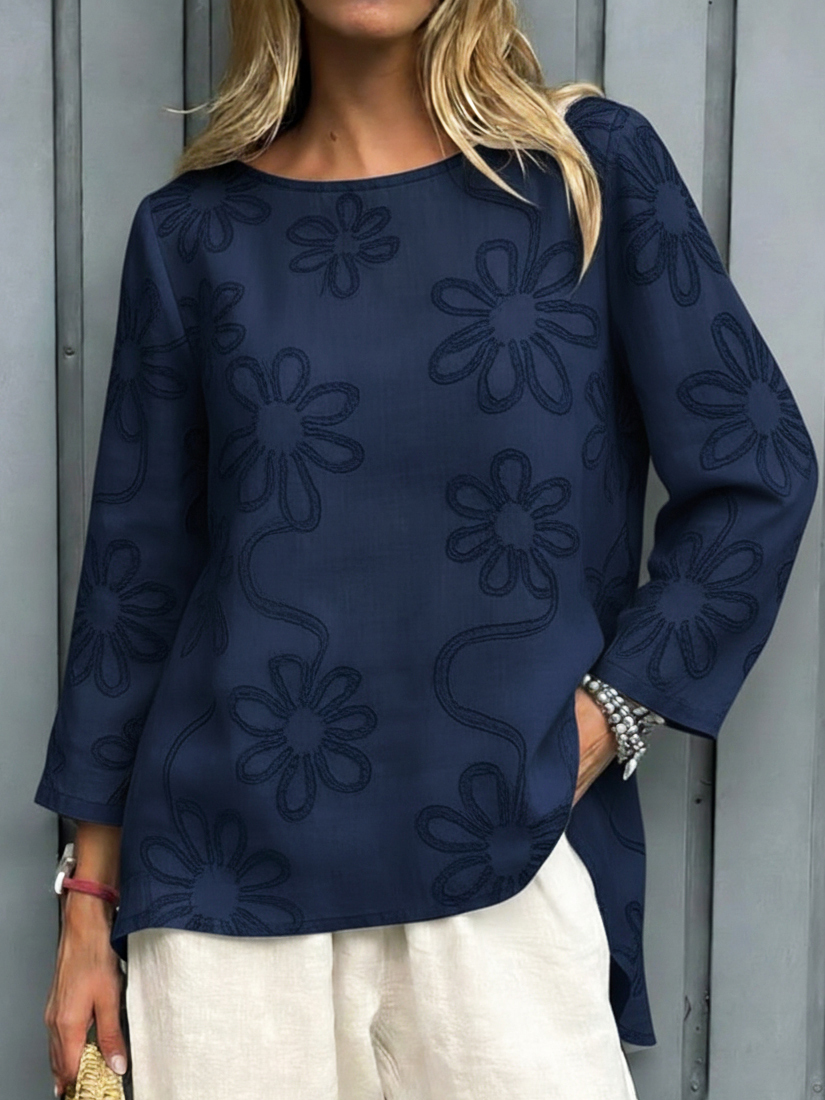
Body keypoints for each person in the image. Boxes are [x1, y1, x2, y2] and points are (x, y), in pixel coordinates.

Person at [36, 1, 818, 1097]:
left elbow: (756, 472)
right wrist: (87, 906)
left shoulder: (587, 173)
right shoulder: (192, 234)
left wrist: (603, 722)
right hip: (222, 898)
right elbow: (135, 584)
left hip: (505, 873)